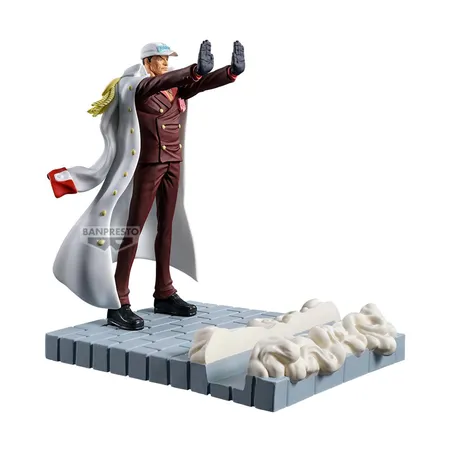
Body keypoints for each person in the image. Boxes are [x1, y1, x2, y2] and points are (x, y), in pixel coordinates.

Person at [47, 40, 245, 331]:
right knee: (133, 230)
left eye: (167, 60)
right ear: (147, 62)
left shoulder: (173, 86)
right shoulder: (136, 86)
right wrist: (194, 70)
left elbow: (199, 85)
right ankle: (119, 301)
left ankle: (164, 291)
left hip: (173, 162)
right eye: (160, 59)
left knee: (168, 227)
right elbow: (163, 82)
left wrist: (230, 72)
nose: (165, 64)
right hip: (148, 165)